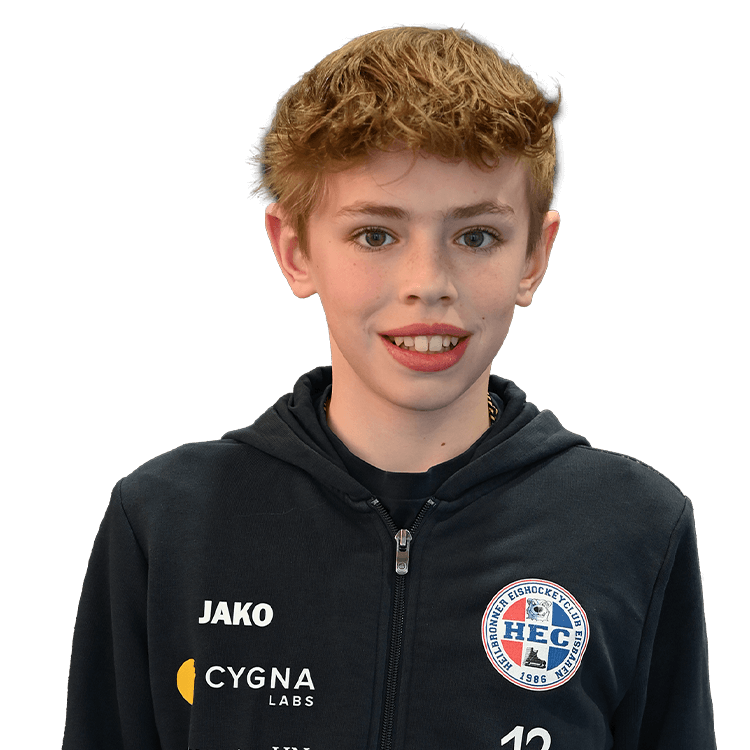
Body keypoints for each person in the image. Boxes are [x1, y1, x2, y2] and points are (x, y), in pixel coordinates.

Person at [63, 25, 715, 749]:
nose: (427, 284)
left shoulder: (638, 525)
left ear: (534, 255)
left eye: (476, 236)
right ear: (295, 249)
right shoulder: (162, 520)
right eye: (376, 234)